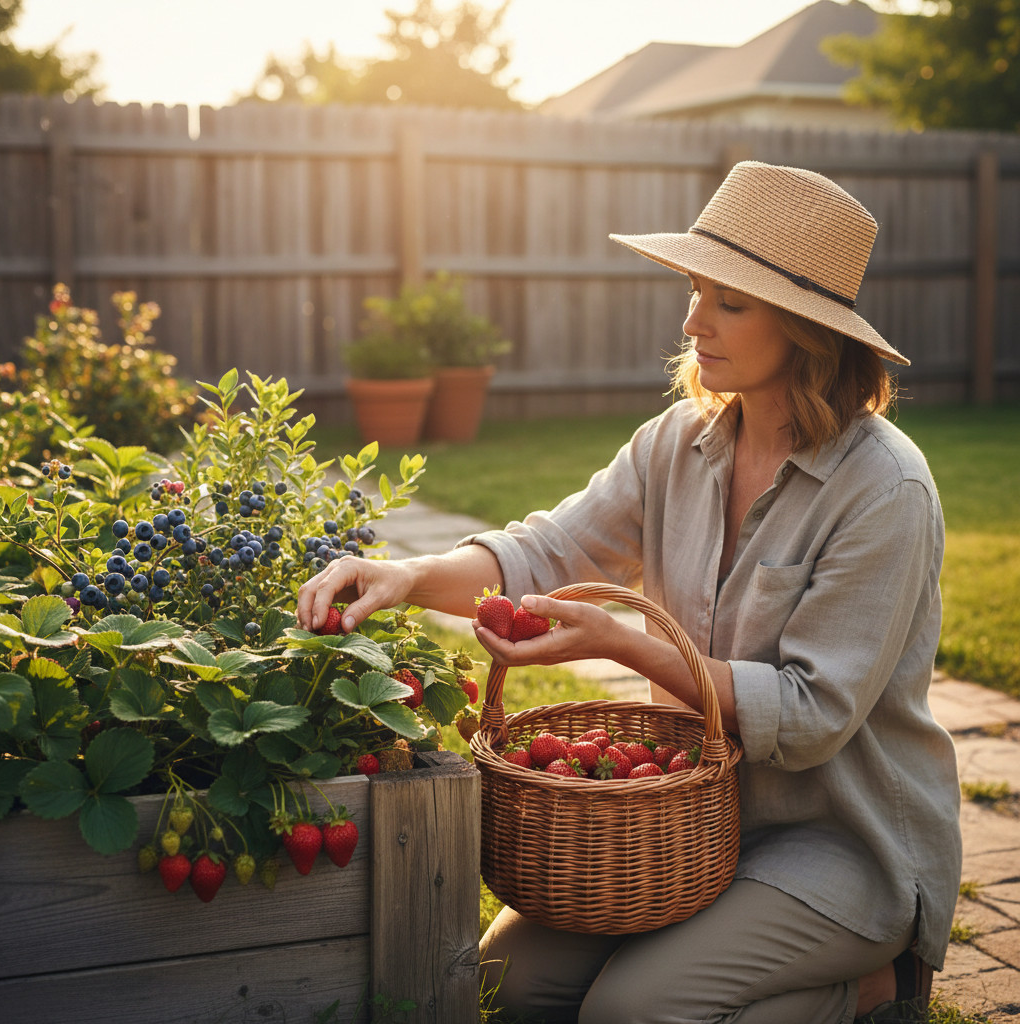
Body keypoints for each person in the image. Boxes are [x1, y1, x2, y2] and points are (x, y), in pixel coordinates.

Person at [298, 161, 962, 1024]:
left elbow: (808, 717)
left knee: (632, 1010)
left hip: (843, 840)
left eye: (730, 302)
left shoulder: (883, 490)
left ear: (806, 331)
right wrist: (409, 577)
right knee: (505, 982)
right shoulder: (676, 444)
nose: (692, 322)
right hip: (686, 819)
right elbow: (550, 549)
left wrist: (621, 643)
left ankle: (879, 988)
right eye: (696, 290)